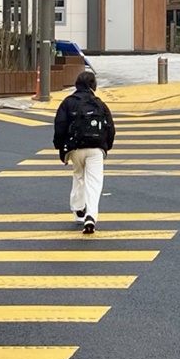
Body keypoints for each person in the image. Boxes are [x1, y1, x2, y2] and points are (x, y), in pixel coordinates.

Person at [52, 70, 115, 235]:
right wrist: (105, 146)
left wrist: (60, 146)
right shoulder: (99, 103)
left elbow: (60, 126)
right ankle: (91, 216)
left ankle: (78, 209)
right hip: (96, 149)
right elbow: (110, 128)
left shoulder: (68, 102)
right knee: (94, 182)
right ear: (93, 85)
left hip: (75, 147)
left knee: (78, 175)